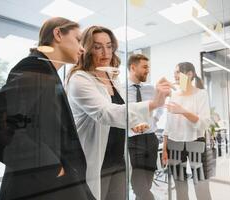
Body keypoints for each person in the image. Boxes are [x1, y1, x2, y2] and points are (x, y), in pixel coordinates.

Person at [0, 17, 95, 200]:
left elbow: (22, 125)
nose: (82, 48)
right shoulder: (37, 69)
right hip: (40, 187)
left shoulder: (47, 72)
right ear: (58, 34)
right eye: (78, 39)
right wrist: (50, 166)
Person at [65, 26, 171, 200]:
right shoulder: (80, 79)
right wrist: (154, 103)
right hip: (96, 161)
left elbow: (123, 108)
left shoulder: (112, 79)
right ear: (86, 48)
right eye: (98, 46)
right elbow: (105, 113)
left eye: (109, 46)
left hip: (118, 159)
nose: (105, 52)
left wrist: (135, 122)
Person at [162, 62, 211, 200]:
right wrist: (165, 148)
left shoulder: (201, 94)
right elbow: (168, 124)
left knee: (201, 186)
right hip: (174, 144)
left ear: (189, 74)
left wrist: (183, 111)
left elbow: (204, 122)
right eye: (175, 72)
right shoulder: (175, 95)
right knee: (180, 187)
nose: (175, 75)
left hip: (196, 142)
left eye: (178, 72)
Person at [126, 54, 163, 200]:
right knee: (138, 184)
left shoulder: (150, 88)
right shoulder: (120, 89)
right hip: (133, 140)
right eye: (145, 67)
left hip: (151, 138)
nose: (148, 70)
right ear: (133, 67)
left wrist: (155, 119)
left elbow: (160, 105)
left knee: (147, 181)